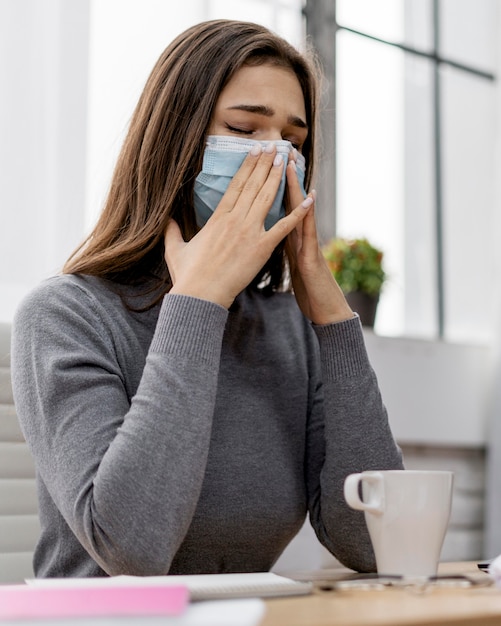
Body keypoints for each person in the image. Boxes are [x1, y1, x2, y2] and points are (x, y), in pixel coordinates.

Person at [11, 19, 403, 579]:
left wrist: (335, 323)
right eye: (244, 129)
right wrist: (197, 304)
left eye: (293, 142)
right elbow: (132, 549)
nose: (273, 159)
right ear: (176, 140)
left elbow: (375, 545)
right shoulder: (64, 317)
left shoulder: (287, 329)